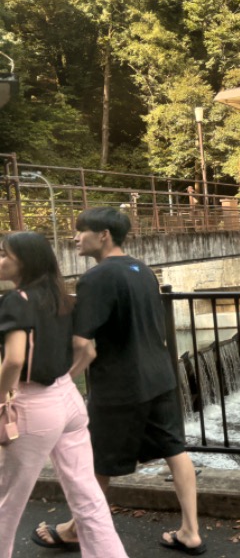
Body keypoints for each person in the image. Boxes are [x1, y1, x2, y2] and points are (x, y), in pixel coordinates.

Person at [34, 207, 206, 555]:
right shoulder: (142, 269)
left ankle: (72, 530)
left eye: (81, 231)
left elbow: (84, 345)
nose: (75, 238)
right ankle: (190, 531)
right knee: (175, 450)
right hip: (160, 376)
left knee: (98, 462)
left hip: (121, 385)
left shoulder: (97, 278)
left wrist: (64, 380)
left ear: (104, 236)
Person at [0, 231, 128, 558]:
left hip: (33, 405)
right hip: (67, 399)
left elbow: (14, 359)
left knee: (7, 503)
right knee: (88, 497)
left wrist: (1, 398)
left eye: (4, 255)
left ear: (24, 262)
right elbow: (82, 348)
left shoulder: (16, 300)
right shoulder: (60, 296)